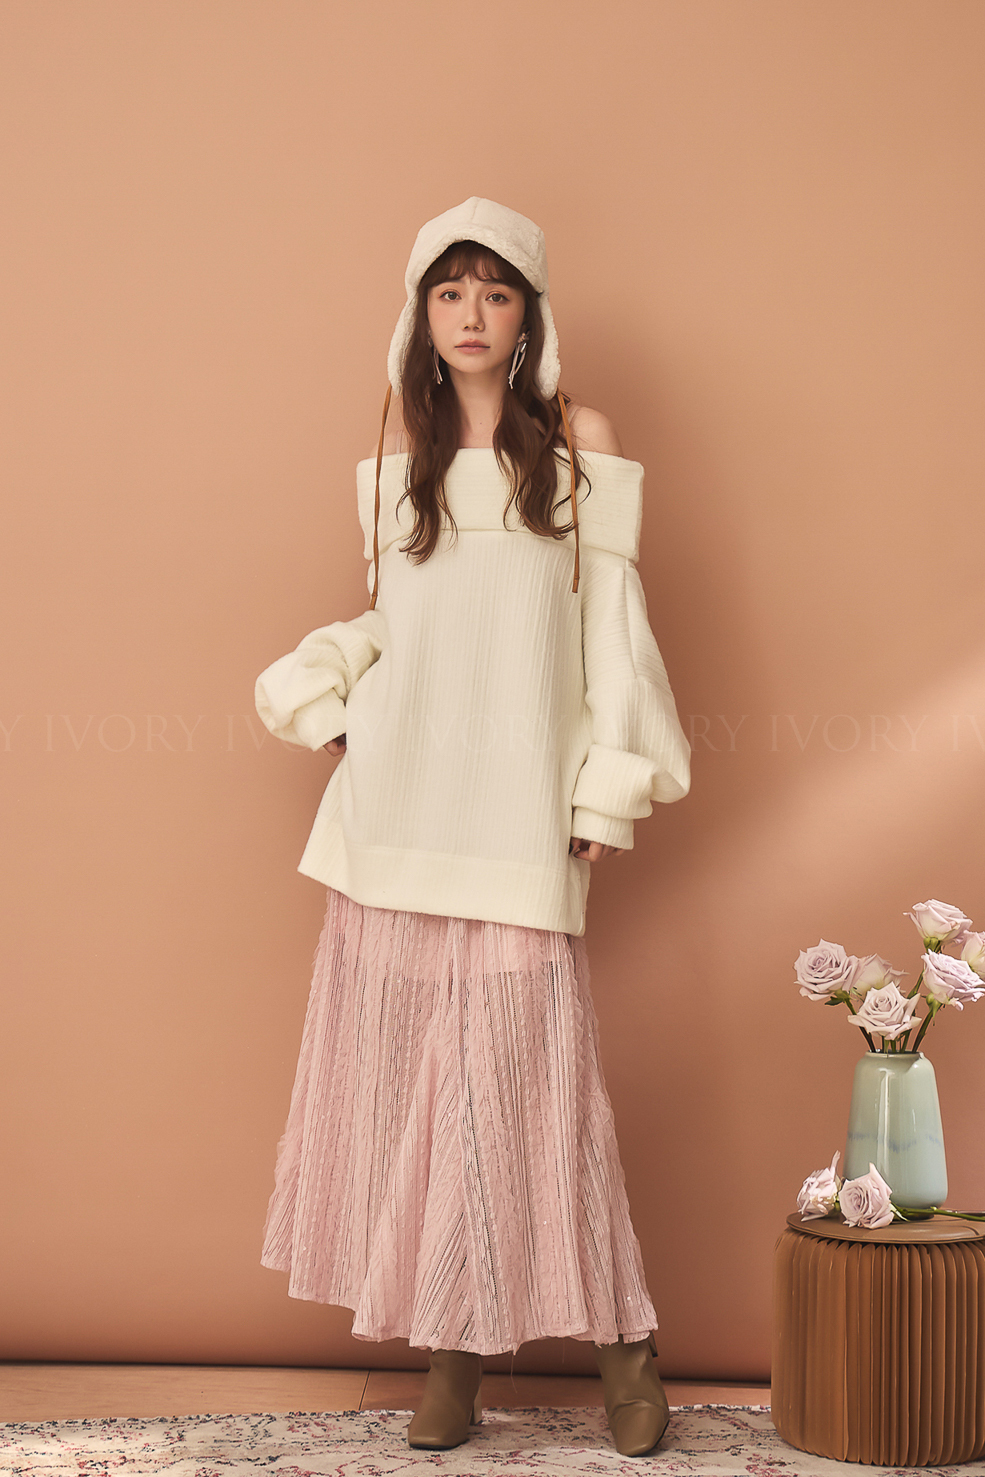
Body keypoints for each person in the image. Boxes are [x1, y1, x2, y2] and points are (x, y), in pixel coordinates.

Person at [254, 197, 691, 1459]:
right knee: (422, 1096)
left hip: (514, 814)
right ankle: (451, 1356)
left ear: (528, 313)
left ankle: (626, 1348)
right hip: (397, 807)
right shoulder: (402, 443)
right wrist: (328, 700)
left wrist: (604, 786)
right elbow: (398, 620)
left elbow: (613, 632)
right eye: (448, 290)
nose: (470, 314)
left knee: (535, 1091)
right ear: (420, 312)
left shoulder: (582, 442)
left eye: (494, 290)